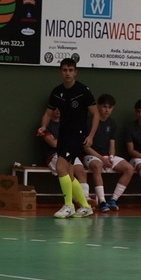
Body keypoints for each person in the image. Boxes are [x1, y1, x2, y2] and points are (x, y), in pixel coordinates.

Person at [39, 58, 97, 219]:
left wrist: (91, 136)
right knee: (69, 174)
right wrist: (43, 126)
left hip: (77, 135)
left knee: (60, 167)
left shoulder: (83, 90)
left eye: (71, 70)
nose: (68, 73)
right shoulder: (57, 92)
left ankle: (69, 205)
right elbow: (48, 113)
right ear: (60, 72)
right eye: (65, 70)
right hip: (63, 135)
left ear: (75, 72)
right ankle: (85, 206)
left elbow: (96, 114)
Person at [83, 94, 135, 212]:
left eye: (110, 107)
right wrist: (102, 159)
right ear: (98, 106)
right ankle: (102, 201)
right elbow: (86, 147)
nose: (107, 110)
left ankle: (113, 199)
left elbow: (112, 145)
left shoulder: (112, 123)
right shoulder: (88, 122)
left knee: (129, 168)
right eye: (104, 106)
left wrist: (111, 157)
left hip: (106, 157)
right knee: (97, 165)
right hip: (90, 156)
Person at [39, 109, 89, 209]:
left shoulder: (67, 123)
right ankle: (77, 202)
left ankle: (84, 199)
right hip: (53, 155)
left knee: (81, 171)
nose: (58, 110)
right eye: (55, 108)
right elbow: (53, 143)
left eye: (60, 108)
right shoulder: (46, 125)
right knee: (66, 172)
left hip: (69, 152)